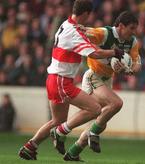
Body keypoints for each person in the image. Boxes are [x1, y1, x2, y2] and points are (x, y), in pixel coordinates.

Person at [18, 0, 123, 160]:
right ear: (86, 14)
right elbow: (94, 53)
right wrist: (113, 52)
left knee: (57, 120)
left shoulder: (65, 24)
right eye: (89, 16)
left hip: (53, 79)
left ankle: (29, 147)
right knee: (95, 109)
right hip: (62, 81)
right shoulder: (74, 32)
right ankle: (60, 132)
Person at [63, 11, 141, 161]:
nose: (133, 32)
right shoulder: (106, 33)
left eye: (135, 28)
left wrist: (129, 70)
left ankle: (73, 151)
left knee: (101, 122)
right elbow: (89, 32)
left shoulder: (132, 42)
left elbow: (137, 63)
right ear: (121, 26)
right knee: (116, 103)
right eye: (131, 28)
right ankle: (65, 131)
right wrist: (80, 29)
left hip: (106, 80)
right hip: (93, 76)